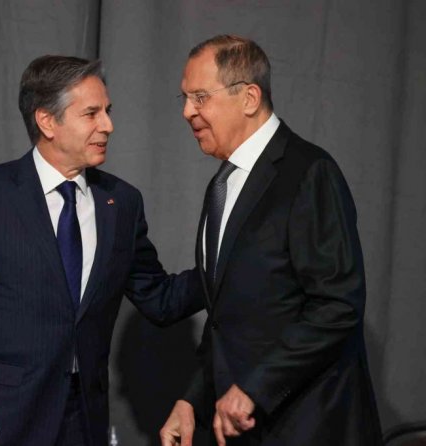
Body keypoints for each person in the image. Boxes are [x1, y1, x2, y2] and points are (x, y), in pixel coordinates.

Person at [0, 55, 203, 446]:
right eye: (92, 113)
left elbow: (160, 299)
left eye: (108, 111)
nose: (108, 126)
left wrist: (228, 264)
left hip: (82, 423)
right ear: (47, 121)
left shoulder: (121, 203)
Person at [159, 35, 383, 446]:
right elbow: (226, 317)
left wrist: (255, 388)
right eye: (185, 99)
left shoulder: (309, 172)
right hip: (245, 431)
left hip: (311, 427)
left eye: (200, 97)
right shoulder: (222, 185)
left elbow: (337, 305)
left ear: (249, 98)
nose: (187, 111)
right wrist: (192, 400)